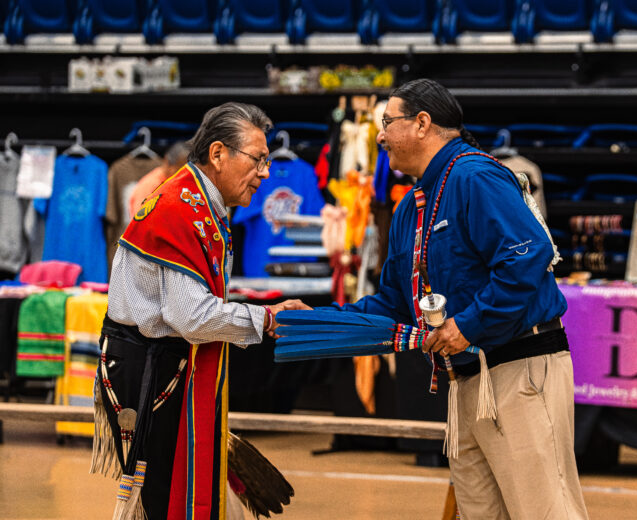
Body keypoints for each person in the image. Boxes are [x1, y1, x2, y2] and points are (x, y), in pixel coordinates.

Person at [337, 79, 589, 519]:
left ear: (422, 123)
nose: (379, 135)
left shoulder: (475, 175)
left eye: (386, 122)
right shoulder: (408, 207)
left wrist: (468, 324)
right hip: (465, 381)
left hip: (519, 371)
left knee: (544, 510)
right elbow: (394, 305)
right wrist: (315, 322)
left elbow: (527, 257)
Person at [92, 102, 309, 520]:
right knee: (163, 501)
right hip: (150, 372)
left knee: (170, 495)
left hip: (162, 364)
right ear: (217, 154)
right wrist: (266, 319)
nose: (265, 172)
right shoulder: (180, 208)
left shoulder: (198, 202)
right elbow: (191, 316)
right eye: (258, 159)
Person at [128, 141, 192, 219]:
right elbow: (140, 220)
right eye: (179, 169)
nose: (184, 174)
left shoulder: (181, 182)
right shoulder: (150, 185)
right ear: (167, 162)